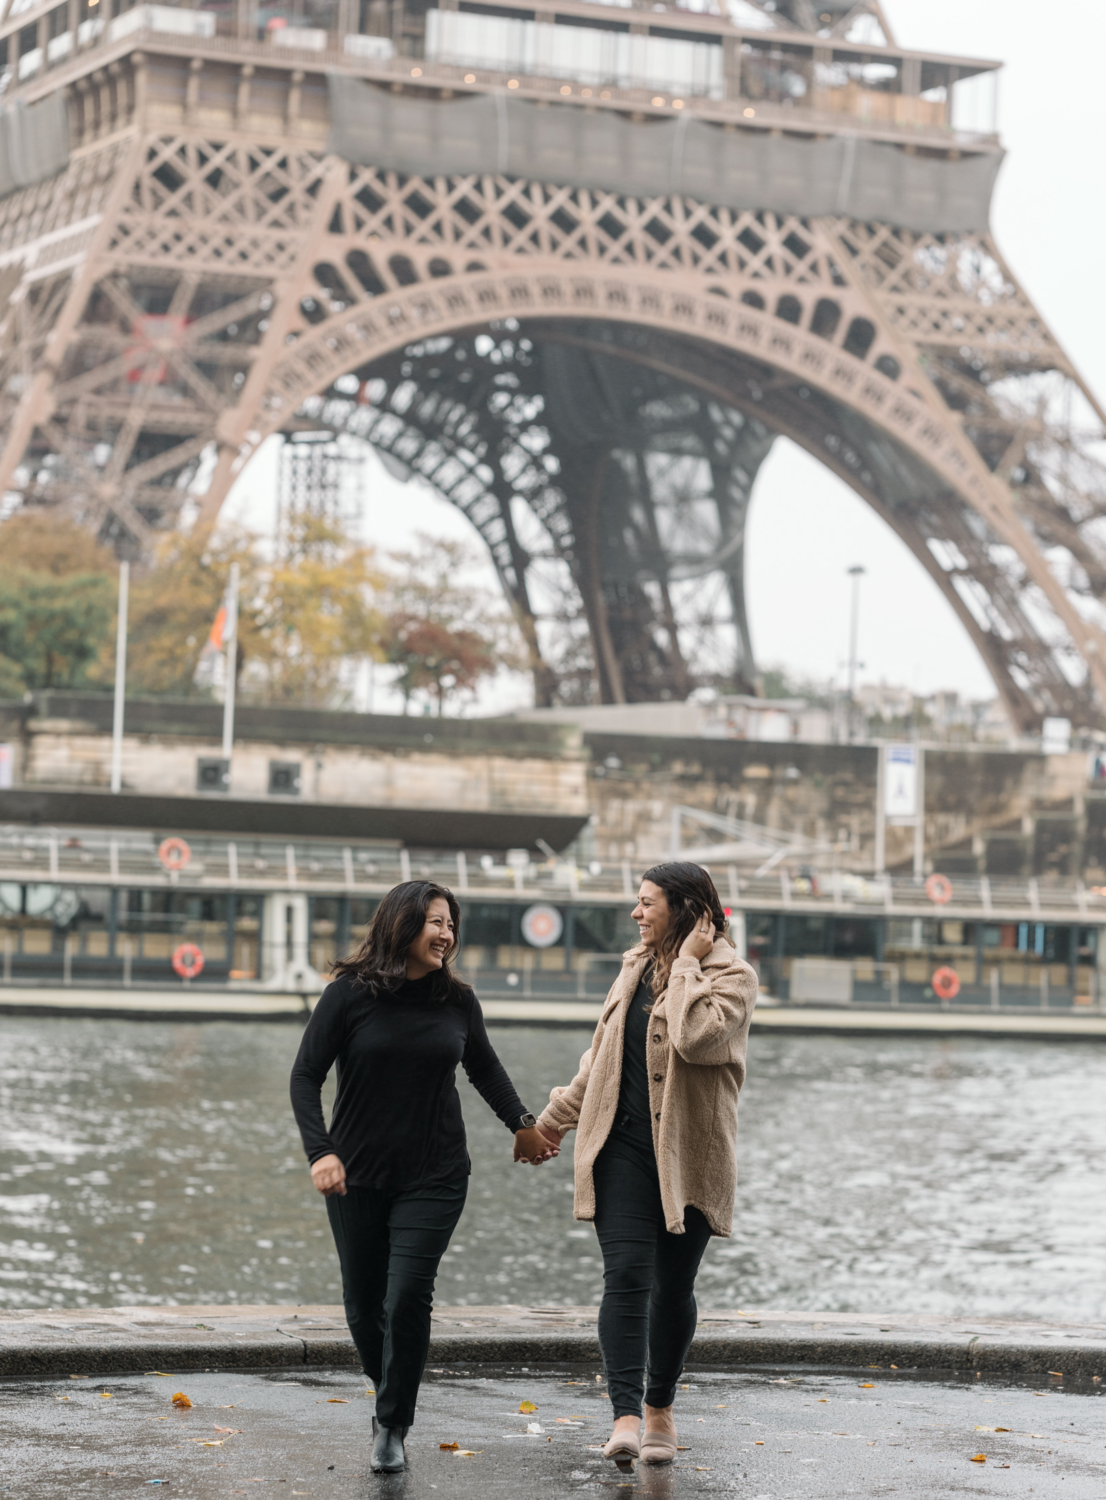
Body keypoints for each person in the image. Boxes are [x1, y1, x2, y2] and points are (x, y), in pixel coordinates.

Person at [289, 879, 555, 1474]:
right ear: (402, 924)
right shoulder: (347, 995)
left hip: (436, 1173)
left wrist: (522, 1122)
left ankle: (391, 1423)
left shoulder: (456, 1001)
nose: (447, 934)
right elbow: (305, 1076)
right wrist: (320, 1152)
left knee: (407, 1295)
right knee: (363, 1305)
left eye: (451, 924)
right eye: (437, 921)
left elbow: (483, 1065)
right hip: (355, 1175)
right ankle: (390, 1390)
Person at [527, 861, 756, 1467]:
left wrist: (686, 965)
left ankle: (659, 1407)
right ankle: (625, 1416)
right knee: (627, 1275)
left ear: (686, 909)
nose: (636, 913)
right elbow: (599, 1057)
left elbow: (694, 1039)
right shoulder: (631, 970)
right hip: (620, 1148)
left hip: (690, 1158)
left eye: (648, 903)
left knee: (673, 1288)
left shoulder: (734, 977)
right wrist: (550, 1120)